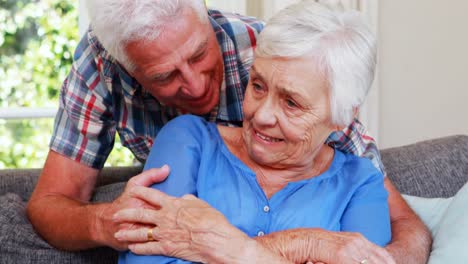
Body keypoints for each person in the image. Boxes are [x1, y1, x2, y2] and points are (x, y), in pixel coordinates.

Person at [23, 0, 430, 263]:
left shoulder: (272, 50)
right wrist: (106, 223)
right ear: (132, 72)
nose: (198, 87)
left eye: (200, 55)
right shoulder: (182, 134)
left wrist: (228, 247)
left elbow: (397, 230)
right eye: (257, 86)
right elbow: (56, 204)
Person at [113, 2, 393, 263]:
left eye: (291, 103)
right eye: (258, 86)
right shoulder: (187, 141)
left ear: (342, 117)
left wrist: (231, 249)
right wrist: (309, 245)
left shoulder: (360, 184)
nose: (261, 115)